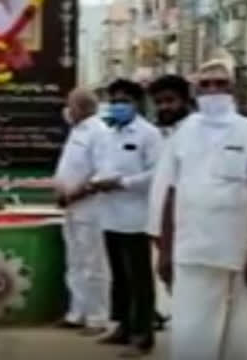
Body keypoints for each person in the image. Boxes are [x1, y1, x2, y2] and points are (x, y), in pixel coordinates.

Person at [154, 59, 247, 360]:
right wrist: (165, 252)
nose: (213, 91)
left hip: (236, 252)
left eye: (220, 84)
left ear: (232, 88)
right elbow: (170, 193)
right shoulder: (182, 134)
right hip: (190, 251)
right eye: (205, 85)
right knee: (190, 334)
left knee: (237, 337)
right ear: (195, 91)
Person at [95, 79, 162, 356]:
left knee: (139, 278)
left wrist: (122, 183)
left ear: (137, 103)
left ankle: (142, 333)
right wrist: (97, 181)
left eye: (124, 101)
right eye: (114, 101)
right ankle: (123, 326)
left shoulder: (149, 134)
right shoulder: (109, 133)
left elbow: (156, 174)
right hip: (110, 216)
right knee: (119, 277)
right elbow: (102, 166)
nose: (118, 106)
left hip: (136, 218)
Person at [53, 87, 110, 336]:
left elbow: (101, 174)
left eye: (71, 105)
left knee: (93, 264)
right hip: (71, 209)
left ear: (82, 107)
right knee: (75, 262)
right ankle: (76, 314)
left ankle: (97, 318)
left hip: (90, 209)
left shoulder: (99, 133)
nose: (67, 110)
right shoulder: (77, 130)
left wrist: (74, 194)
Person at [146, 74, 194, 332]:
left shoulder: (194, 133)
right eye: (159, 102)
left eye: (170, 101)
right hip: (160, 227)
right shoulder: (162, 133)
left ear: (185, 101)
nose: (164, 107)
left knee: (190, 295)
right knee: (174, 286)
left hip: (185, 229)